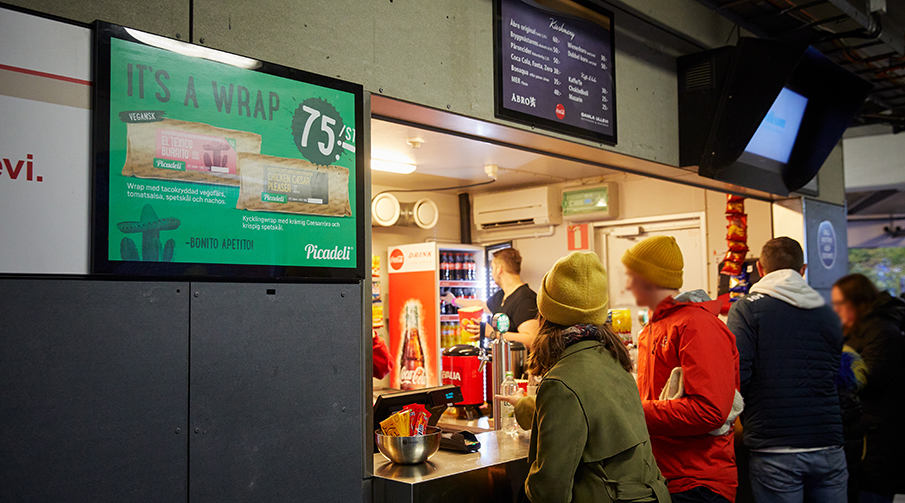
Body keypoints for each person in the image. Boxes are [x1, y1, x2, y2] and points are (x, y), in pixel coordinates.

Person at [498, 251, 669, 503]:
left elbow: (549, 492)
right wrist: (528, 407)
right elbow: (592, 418)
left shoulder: (561, 381)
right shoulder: (614, 360)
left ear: (547, 313)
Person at [727, 237, 847, 503]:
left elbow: (738, 374)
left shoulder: (747, 309)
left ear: (760, 268)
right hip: (828, 441)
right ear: (802, 269)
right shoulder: (828, 313)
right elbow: (840, 373)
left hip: (775, 446)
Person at [622, 235, 740, 503]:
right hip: (664, 477)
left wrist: (631, 409)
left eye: (632, 275)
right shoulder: (652, 329)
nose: (627, 285)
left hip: (699, 482)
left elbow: (709, 410)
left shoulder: (697, 326)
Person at [832, 274, 905, 502]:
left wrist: (833, 363)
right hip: (861, 437)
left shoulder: (883, 332)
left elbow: (868, 378)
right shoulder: (857, 331)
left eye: (840, 304)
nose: (836, 310)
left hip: (875, 442)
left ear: (858, 302)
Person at [447, 248, 539, 348]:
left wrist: (493, 334)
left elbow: (532, 339)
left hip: (519, 363)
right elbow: (480, 305)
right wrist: (453, 300)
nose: (492, 273)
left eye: (492, 268)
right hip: (503, 361)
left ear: (499, 269)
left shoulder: (526, 299)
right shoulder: (501, 296)